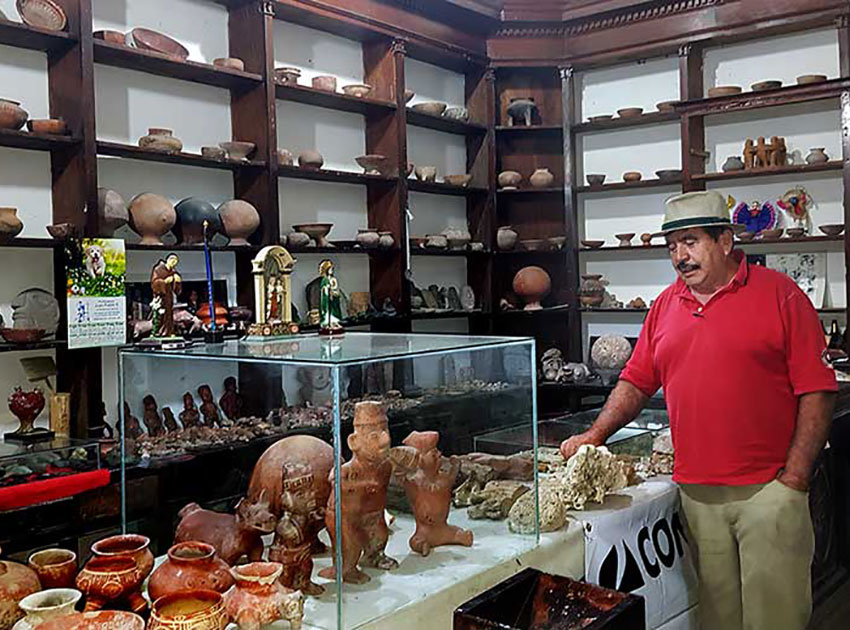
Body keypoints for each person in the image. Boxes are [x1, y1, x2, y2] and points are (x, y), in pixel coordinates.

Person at [560, 190, 837, 630]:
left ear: (725, 241)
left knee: (776, 620)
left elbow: (818, 390)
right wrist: (596, 435)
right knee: (717, 618)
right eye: (672, 246)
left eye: (690, 242)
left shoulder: (781, 296)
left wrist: (795, 479)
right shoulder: (666, 306)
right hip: (697, 495)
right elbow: (635, 381)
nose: (679, 257)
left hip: (768, 492)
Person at [150, 254, 182, 338]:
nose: (174, 263)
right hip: (161, 296)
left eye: (175, 262)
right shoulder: (158, 269)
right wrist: (164, 282)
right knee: (161, 314)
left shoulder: (173, 271)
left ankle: (169, 331)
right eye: (173, 261)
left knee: (169, 315)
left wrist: (177, 281)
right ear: (168, 260)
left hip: (169, 297)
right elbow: (154, 282)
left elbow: (177, 289)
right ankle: (160, 332)